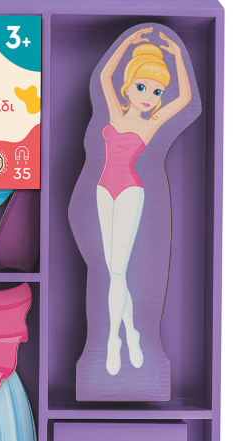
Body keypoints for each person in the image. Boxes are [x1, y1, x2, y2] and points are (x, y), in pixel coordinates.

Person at [98, 28, 191, 375]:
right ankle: (132, 332)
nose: (149, 96)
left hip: (130, 191)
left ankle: (113, 341)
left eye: (157, 91)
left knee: (117, 270)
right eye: (141, 87)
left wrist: (178, 56)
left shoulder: (151, 123)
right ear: (128, 87)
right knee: (114, 271)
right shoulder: (115, 113)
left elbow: (184, 99)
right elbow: (105, 75)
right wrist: (127, 43)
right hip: (102, 190)